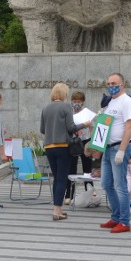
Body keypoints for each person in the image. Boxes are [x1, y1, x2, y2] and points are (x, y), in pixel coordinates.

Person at [41, 83, 92, 221]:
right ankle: (57, 211)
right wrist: (85, 124)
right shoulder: (66, 107)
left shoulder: (45, 108)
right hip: (63, 147)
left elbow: (42, 130)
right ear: (64, 94)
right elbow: (71, 128)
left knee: (56, 178)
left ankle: (57, 208)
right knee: (62, 178)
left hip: (49, 147)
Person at [98, 73, 131, 233]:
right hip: (107, 148)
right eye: (108, 83)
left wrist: (122, 150)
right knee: (106, 184)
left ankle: (125, 221)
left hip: (118, 148)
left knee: (120, 185)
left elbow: (129, 127)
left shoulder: (127, 101)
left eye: (114, 82)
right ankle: (115, 217)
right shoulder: (112, 101)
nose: (111, 85)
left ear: (122, 84)